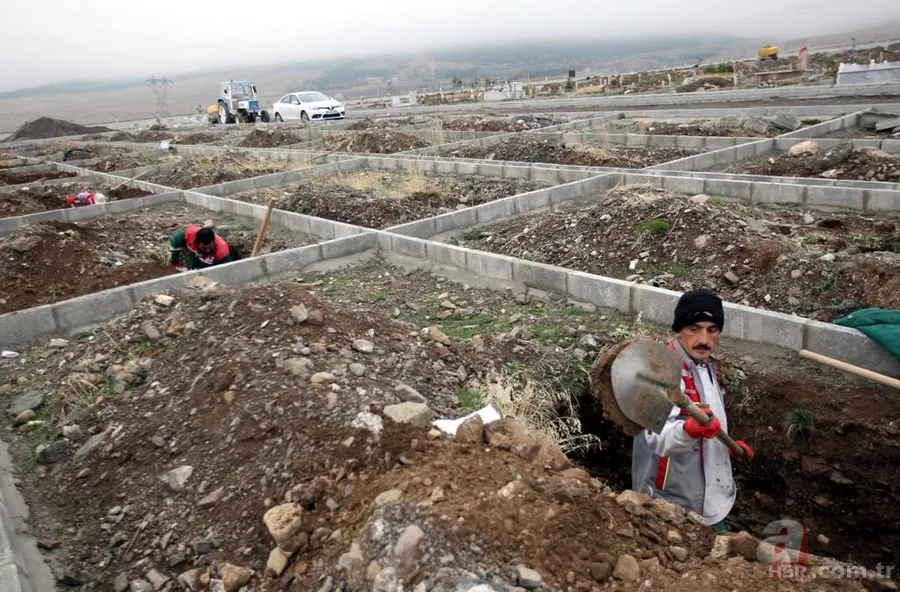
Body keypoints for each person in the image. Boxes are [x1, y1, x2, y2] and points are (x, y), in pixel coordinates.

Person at [631, 289, 754, 532]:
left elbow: (712, 421)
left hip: (710, 495)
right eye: (694, 329)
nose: (704, 340)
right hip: (671, 502)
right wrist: (690, 430)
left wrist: (725, 447)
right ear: (679, 329)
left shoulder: (706, 365)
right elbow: (656, 439)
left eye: (712, 330)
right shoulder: (659, 371)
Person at [168, 225, 235, 270]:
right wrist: (175, 262)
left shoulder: (222, 251)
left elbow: (228, 269)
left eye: (210, 247)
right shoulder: (189, 234)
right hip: (194, 253)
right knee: (194, 259)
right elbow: (174, 243)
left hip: (210, 264)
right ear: (196, 242)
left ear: (214, 241)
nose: (208, 251)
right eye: (204, 248)